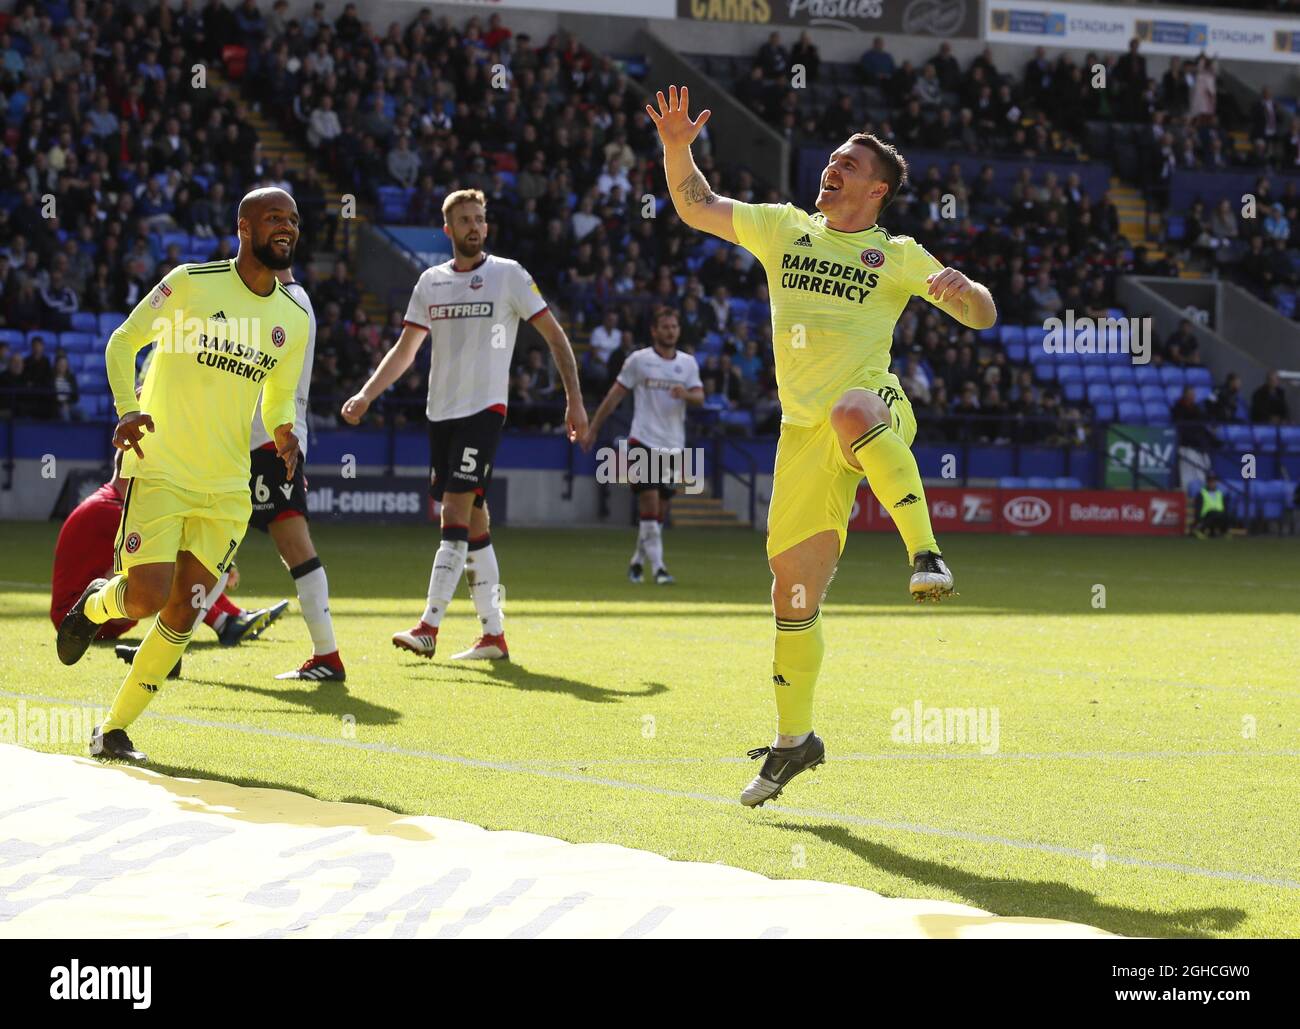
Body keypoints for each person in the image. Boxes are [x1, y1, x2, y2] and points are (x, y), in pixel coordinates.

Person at [645, 85, 996, 806]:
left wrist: (967, 289)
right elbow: (694, 203)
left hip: (874, 410)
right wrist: (678, 145)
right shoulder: (782, 228)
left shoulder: (896, 254)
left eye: (849, 162)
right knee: (792, 593)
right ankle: (793, 742)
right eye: (832, 157)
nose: (832, 167)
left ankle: (926, 553)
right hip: (802, 438)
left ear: (878, 189)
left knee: (851, 404)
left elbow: (983, 316)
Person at [56, 187, 310, 764]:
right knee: (144, 598)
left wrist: (285, 429)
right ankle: (98, 603)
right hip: (163, 468)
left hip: (227, 489)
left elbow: (278, 395)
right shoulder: (191, 283)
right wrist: (126, 409)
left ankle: (113, 731)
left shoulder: (293, 318)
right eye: (274, 218)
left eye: (292, 219)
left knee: (185, 609)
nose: (287, 227)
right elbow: (123, 342)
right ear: (243, 227)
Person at [341, 189, 586, 662]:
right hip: (441, 415)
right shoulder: (430, 282)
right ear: (448, 229)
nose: (473, 226)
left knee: (452, 514)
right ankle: (493, 636)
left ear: (487, 228)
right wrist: (367, 393)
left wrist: (574, 402)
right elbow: (405, 351)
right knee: (474, 522)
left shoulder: (508, 275)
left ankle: (429, 625)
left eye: (479, 219)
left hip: (484, 412)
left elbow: (555, 337)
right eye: (464, 220)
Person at [581, 306, 704, 584]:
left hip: (673, 445)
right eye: (665, 327)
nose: (670, 331)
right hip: (643, 440)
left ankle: (637, 562)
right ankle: (659, 569)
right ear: (654, 331)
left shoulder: (688, 364)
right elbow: (614, 396)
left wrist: (686, 394)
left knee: (659, 511)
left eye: (674, 327)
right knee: (648, 501)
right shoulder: (638, 361)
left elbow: (700, 397)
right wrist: (593, 429)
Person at [1194, 474, 1229, 538]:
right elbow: (1198, 508)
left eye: (1213, 482)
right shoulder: (1202, 493)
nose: (1212, 484)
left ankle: (1223, 532)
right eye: (1210, 482)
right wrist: (1198, 520)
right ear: (1207, 482)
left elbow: (1224, 506)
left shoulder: (1220, 493)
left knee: (1226, 515)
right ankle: (1201, 530)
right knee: (1213, 514)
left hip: (1218, 514)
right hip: (1206, 514)